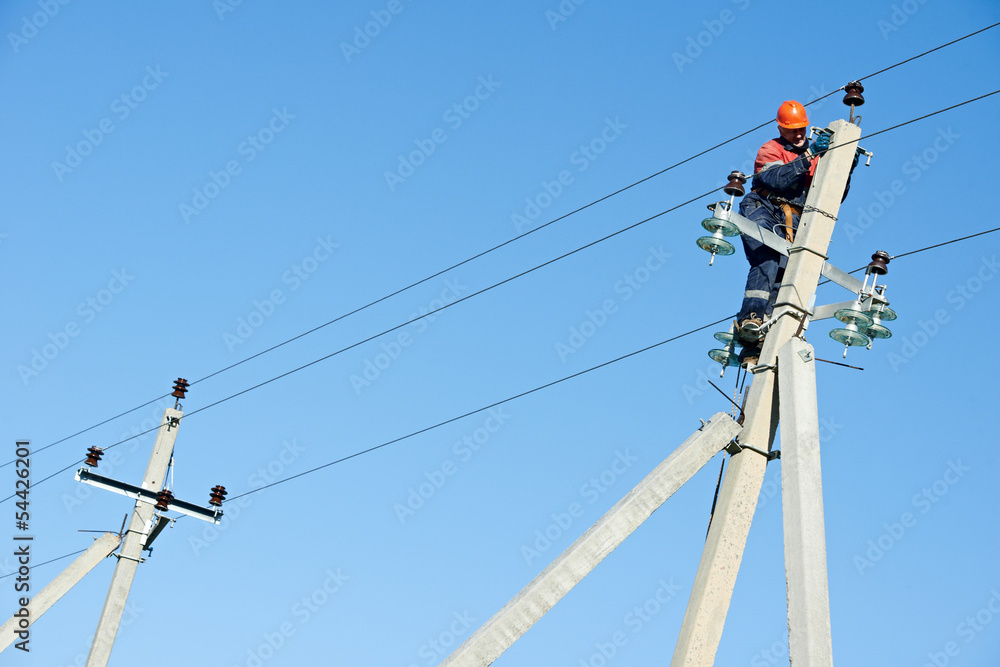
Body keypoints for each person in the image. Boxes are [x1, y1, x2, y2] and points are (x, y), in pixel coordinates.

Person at [735, 100, 856, 357]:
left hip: (794, 219)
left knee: (787, 272)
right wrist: (810, 155)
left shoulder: (818, 157)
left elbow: (832, 197)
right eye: (792, 130)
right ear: (781, 129)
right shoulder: (771, 149)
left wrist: (845, 169)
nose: (799, 134)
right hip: (763, 206)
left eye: (802, 128)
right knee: (767, 256)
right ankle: (751, 319)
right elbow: (775, 179)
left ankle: (766, 335)